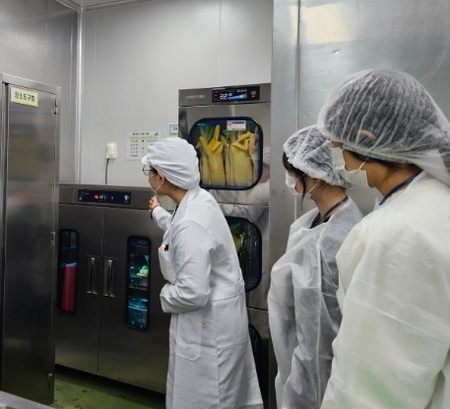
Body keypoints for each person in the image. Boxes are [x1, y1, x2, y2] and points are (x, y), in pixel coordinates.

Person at [317, 69, 450, 409]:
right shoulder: (435, 202)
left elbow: (370, 389)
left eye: (336, 142)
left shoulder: (397, 234)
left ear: (366, 138)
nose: (333, 152)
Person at [144, 136, 262, 409]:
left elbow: (192, 293)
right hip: (217, 321)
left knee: (208, 399)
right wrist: (158, 213)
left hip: (207, 331)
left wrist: (164, 295)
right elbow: (180, 228)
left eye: (149, 170)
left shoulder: (191, 221)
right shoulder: (199, 199)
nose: (147, 175)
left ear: (161, 177)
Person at [267, 125, 363, 409]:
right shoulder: (314, 221)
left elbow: (319, 336)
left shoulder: (331, 241)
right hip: (297, 358)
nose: (289, 178)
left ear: (316, 176)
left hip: (316, 378)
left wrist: (302, 389)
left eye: (293, 171)